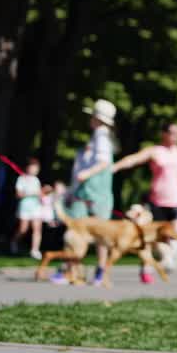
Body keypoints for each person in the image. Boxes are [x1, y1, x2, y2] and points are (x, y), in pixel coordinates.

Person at [110, 121, 177, 284]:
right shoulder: (155, 151)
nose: (176, 136)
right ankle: (146, 270)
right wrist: (114, 167)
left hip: (176, 202)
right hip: (157, 202)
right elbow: (133, 159)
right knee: (151, 239)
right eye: (172, 133)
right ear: (164, 134)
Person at [56, 99, 118, 285]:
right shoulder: (102, 136)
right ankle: (95, 271)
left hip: (92, 191)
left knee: (79, 230)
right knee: (99, 234)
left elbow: (103, 162)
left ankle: (72, 270)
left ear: (97, 118)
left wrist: (86, 174)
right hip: (96, 192)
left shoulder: (101, 136)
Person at [9, 158, 45, 259]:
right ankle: (14, 242)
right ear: (27, 168)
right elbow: (18, 194)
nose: (35, 170)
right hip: (25, 207)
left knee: (37, 228)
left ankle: (35, 250)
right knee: (23, 229)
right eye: (33, 167)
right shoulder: (21, 179)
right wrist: (32, 193)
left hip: (36, 207)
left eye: (36, 168)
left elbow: (39, 194)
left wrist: (42, 195)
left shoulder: (36, 180)